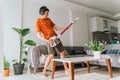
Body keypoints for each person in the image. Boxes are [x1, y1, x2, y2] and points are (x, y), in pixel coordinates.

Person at [35, 6, 69, 77]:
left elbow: (55, 27)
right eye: (46, 13)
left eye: (48, 12)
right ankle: (44, 71)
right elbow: (39, 36)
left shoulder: (48, 19)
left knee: (62, 53)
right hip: (49, 40)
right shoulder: (38, 22)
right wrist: (48, 41)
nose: (48, 14)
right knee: (51, 55)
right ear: (42, 13)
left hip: (56, 38)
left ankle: (66, 69)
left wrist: (65, 28)